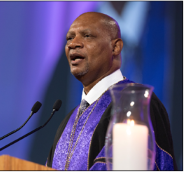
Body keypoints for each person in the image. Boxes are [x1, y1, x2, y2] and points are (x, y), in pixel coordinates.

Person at [45, 12, 177, 170]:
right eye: (69, 38)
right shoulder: (67, 122)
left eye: (87, 35)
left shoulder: (137, 105)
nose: (73, 43)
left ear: (115, 47)